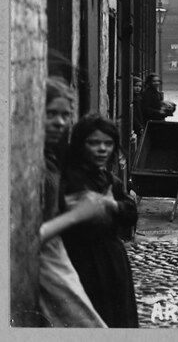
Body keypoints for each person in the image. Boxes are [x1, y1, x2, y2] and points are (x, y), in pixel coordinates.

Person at [37, 78, 108, 328]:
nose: (60, 122)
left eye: (66, 115)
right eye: (51, 114)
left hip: (57, 257)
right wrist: (77, 214)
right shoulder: (27, 163)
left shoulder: (50, 156)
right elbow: (26, 237)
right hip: (44, 264)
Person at [61, 114, 140, 328]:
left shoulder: (108, 179)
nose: (102, 149)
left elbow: (131, 213)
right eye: (93, 143)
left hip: (112, 261)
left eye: (108, 143)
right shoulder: (70, 178)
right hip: (82, 261)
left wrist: (112, 205)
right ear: (80, 145)